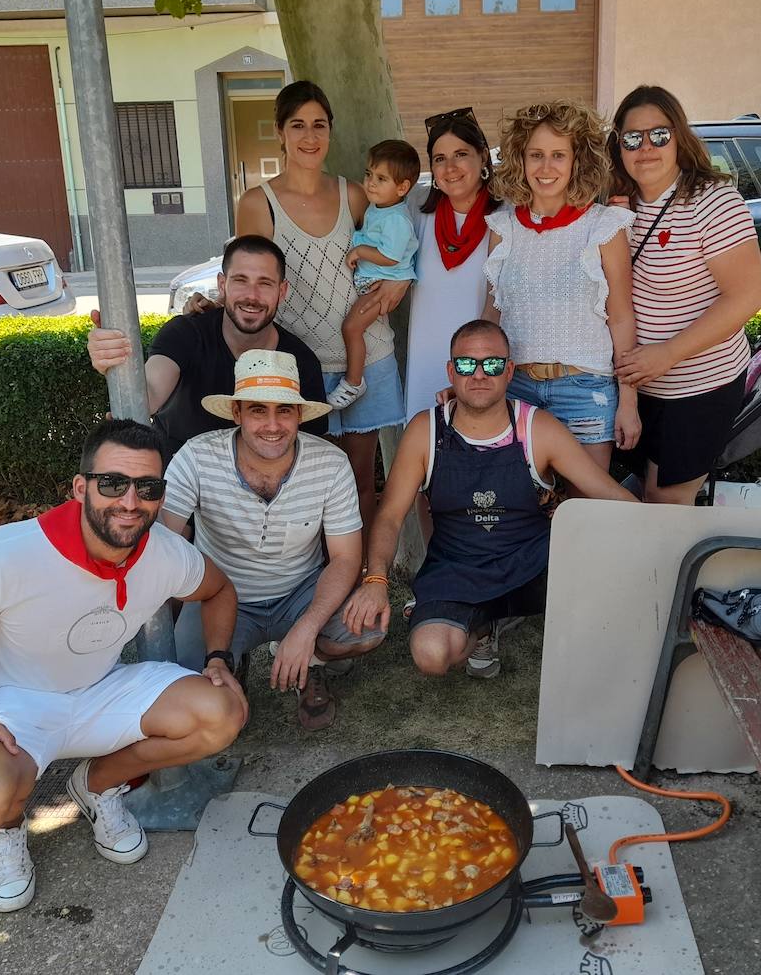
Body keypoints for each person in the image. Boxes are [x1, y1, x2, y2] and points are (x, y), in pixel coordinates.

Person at [0, 418, 246, 913]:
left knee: (223, 713)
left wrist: (217, 658)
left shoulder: (166, 552)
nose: (131, 502)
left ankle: (96, 785)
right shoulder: (6, 554)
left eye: (148, 488)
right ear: (80, 487)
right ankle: (6, 830)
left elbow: (219, 590)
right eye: (113, 484)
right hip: (13, 709)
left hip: (99, 690)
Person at [344, 320, 636, 679]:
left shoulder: (538, 427)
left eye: (493, 364)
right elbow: (389, 515)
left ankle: (515, 616)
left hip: (534, 563)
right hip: (456, 567)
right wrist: (375, 580)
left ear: (509, 370)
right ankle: (481, 627)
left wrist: (669, 534)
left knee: (602, 590)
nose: (479, 374)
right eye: (467, 364)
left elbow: (606, 492)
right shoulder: (425, 430)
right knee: (430, 654)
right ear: (451, 371)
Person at [163, 349, 381, 730]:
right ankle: (229, 659)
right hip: (221, 593)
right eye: (258, 410)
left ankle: (309, 662)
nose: (272, 424)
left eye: (284, 410)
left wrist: (308, 628)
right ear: (237, 414)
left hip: (301, 590)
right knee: (183, 676)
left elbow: (346, 559)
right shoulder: (196, 457)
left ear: (299, 415)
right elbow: (164, 539)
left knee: (368, 630)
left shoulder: (329, 462)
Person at [233, 79, 407, 530]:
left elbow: (396, 248)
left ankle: (367, 578)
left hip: (365, 357)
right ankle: (315, 577)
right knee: (303, 481)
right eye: (298, 125)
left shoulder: (354, 194)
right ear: (280, 132)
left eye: (319, 125)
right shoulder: (258, 203)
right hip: (299, 367)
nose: (310, 137)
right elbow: (248, 283)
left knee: (360, 479)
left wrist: (400, 284)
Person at [608, 85, 761, 504]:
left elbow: (746, 297)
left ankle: (672, 571)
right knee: (642, 491)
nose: (646, 148)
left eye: (659, 135)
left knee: (667, 502)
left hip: (699, 387)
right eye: (632, 138)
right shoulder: (618, 204)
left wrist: (668, 353)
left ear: (679, 137)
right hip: (640, 387)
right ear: (618, 145)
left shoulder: (712, 201)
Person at [484, 100, 641, 475]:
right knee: (517, 510)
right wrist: (478, 381)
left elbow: (621, 318)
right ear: (520, 161)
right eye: (535, 155)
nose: (546, 167)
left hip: (585, 391)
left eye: (558, 155)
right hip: (517, 389)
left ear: (577, 161)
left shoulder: (604, 227)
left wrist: (629, 403)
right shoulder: (503, 228)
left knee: (586, 512)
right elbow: (492, 315)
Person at [86, 235, 327, 458]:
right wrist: (116, 358)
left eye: (265, 283)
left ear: (282, 291)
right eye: (240, 280)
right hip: (175, 487)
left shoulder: (300, 362)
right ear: (222, 284)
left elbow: (309, 452)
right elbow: (148, 394)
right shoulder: (186, 334)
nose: (252, 295)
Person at [405, 109, 502, 421]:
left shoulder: (508, 216)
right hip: (425, 359)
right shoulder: (417, 208)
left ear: (483, 156)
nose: (450, 168)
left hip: (480, 369)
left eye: (461, 154)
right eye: (439, 158)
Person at [329, 139, 421, 410]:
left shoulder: (396, 219)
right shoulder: (380, 209)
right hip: (374, 281)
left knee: (351, 327)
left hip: (381, 287)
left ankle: (354, 382)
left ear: (402, 187)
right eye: (369, 174)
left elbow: (390, 256)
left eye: (382, 178)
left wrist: (360, 251)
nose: (370, 183)